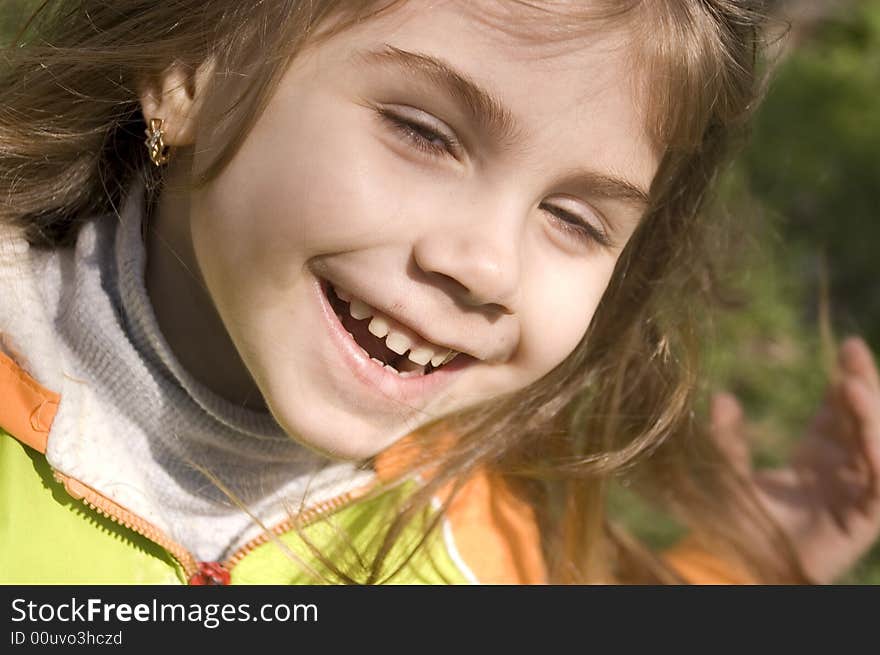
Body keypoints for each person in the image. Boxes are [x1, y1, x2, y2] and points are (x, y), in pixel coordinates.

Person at [0, 0, 878, 585]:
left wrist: (752, 561)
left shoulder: (483, 535)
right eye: (423, 133)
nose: (487, 266)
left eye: (574, 218)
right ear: (194, 74)